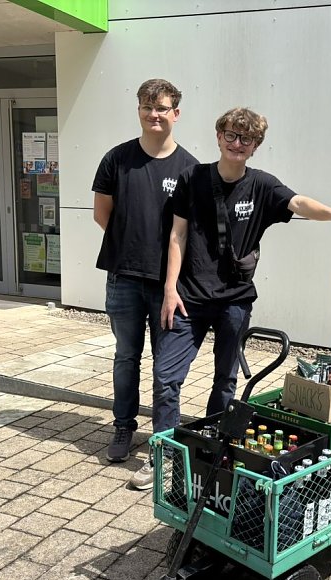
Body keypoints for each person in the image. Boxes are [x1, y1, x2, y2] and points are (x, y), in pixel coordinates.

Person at [129, 106, 331, 489]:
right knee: (166, 378)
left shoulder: (262, 185)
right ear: (218, 136)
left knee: (225, 381)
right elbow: (176, 236)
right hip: (188, 298)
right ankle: (163, 453)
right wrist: (168, 290)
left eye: (246, 139)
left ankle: (212, 449)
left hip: (235, 300)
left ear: (255, 146)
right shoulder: (192, 178)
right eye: (230, 135)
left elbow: (298, 204)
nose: (236, 143)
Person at [93, 79, 198, 464]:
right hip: (122, 278)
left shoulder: (189, 168)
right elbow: (101, 213)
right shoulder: (117, 159)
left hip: (167, 285)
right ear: (139, 110)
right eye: (147, 107)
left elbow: (186, 233)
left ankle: (163, 440)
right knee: (126, 356)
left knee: (164, 365)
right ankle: (123, 425)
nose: (154, 114)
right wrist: (130, 245)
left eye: (162, 108)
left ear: (176, 113)